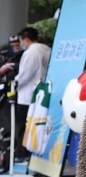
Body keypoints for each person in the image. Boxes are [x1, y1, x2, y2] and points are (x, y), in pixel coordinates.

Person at [14, 27, 52, 160]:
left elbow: (25, 74)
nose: (21, 44)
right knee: (38, 125)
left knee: (24, 125)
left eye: (21, 41)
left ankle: (24, 152)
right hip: (43, 94)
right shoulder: (47, 50)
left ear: (27, 39)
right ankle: (34, 151)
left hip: (27, 95)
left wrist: (14, 81)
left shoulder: (30, 52)